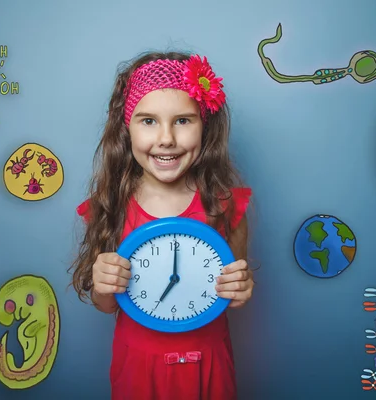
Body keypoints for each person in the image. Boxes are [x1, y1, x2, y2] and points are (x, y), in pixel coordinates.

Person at [70, 50, 255, 399]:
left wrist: (241, 288)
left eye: (183, 120)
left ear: (205, 125)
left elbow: (236, 287)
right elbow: (105, 303)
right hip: (140, 368)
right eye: (149, 120)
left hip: (208, 364)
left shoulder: (227, 206)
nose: (166, 138)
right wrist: (103, 283)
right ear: (127, 127)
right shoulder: (108, 207)